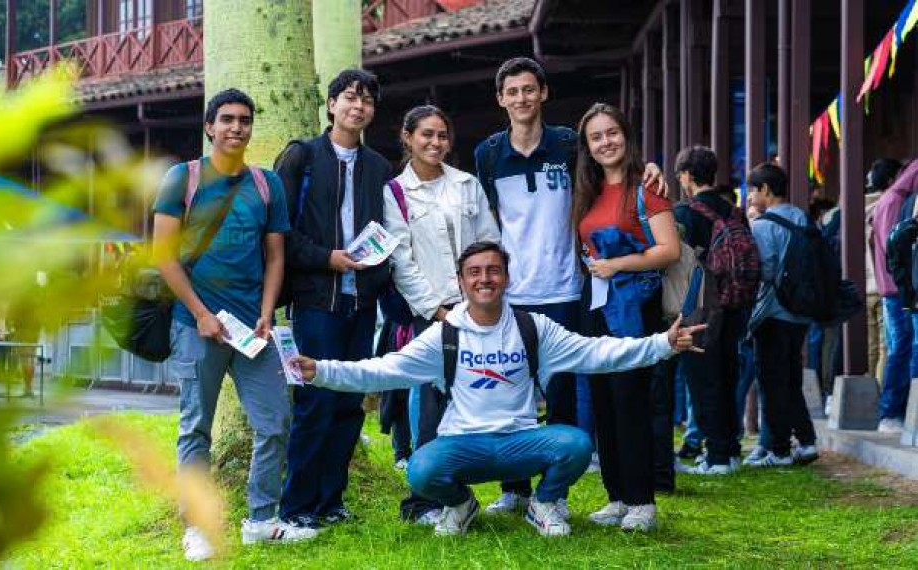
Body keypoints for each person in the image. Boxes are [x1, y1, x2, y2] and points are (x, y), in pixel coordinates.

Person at [291, 242, 705, 537]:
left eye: (492, 271)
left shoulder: (533, 328)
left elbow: (597, 352)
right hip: (463, 445)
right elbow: (381, 371)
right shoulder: (444, 335)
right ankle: (461, 504)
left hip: (520, 444)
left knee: (575, 444)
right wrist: (320, 371)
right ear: (461, 281)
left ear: (506, 277)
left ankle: (543, 504)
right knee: (421, 469)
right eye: (474, 272)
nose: (484, 279)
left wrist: (662, 345)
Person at [474, 56, 666, 516]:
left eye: (528, 89)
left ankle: (553, 495)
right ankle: (514, 489)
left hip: (567, 288)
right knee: (511, 392)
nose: (521, 98)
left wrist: (652, 168)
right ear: (501, 99)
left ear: (543, 94)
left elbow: (611, 167)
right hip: (513, 292)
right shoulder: (488, 153)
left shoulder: (567, 145)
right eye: (511, 91)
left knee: (562, 395)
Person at [153, 88, 315, 562]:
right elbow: (163, 255)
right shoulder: (180, 179)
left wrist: (267, 313)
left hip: (253, 331)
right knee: (195, 428)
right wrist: (201, 314)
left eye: (244, 120)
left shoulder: (266, 185)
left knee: (275, 420)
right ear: (209, 126)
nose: (236, 128)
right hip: (195, 325)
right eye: (226, 119)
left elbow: (275, 255)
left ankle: (262, 520)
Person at [274, 69, 392, 530]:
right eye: (349, 98)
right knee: (315, 403)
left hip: (362, 304)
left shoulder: (379, 167)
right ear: (330, 105)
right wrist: (328, 258)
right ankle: (297, 505)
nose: (357, 106)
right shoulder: (302, 156)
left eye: (366, 101)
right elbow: (280, 231)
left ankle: (330, 501)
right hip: (315, 300)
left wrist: (373, 269)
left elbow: (387, 232)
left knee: (348, 404)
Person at [383, 104, 500, 523]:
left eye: (442, 135)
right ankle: (425, 499)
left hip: (476, 307)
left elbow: (489, 241)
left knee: (476, 398)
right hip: (429, 313)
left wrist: (480, 298)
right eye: (427, 135)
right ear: (408, 137)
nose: (436, 143)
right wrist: (435, 309)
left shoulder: (467, 184)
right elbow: (401, 258)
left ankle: (467, 490)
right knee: (430, 404)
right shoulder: (395, 191)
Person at [573, 103, 680, 531]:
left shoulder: (647, 186)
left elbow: (668, 250)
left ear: (626, 135)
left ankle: (642, 502)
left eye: (611, 133)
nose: (605, 142)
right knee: (603, 402)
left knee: (631, 401)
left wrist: (618, 265)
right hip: (596, 305)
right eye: (596, 137)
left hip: (634, 306)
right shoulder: (590, 189)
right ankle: (616, 496)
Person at [672, 146, 756, 475]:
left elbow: (676, 262)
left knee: (703, 381)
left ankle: (717, 456)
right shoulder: (733, 211)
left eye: (680, 175)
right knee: (727, 376)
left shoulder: (683, 213)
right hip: (734, 304)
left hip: (700, 308)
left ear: (688, 176)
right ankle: (730, 450)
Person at [744, 162, 818, 466]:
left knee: (772, 383)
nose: (749, 196)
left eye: (752, 190)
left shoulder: (762, 226)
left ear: (765, 190)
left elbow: (766, 270)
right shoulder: (802, 217)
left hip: (773, 313)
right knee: (791, 379)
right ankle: (808, 441)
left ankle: (779, 450)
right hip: (800, 312)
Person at [872, 159, 918, 433]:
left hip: (895, 288)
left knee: (901, 348)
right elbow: (897, 250)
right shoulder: (896, 202)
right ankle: (892, 412)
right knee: (904, 349)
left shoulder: (892, 200)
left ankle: (897, 412)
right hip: (898, 289)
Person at [865, 159, 903, 388]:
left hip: (863, 286)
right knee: (886, 347)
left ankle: (869, 394)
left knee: (870, 348)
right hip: (885, 285)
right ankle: (881, 399)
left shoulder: (853, 207)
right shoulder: (893, 204)